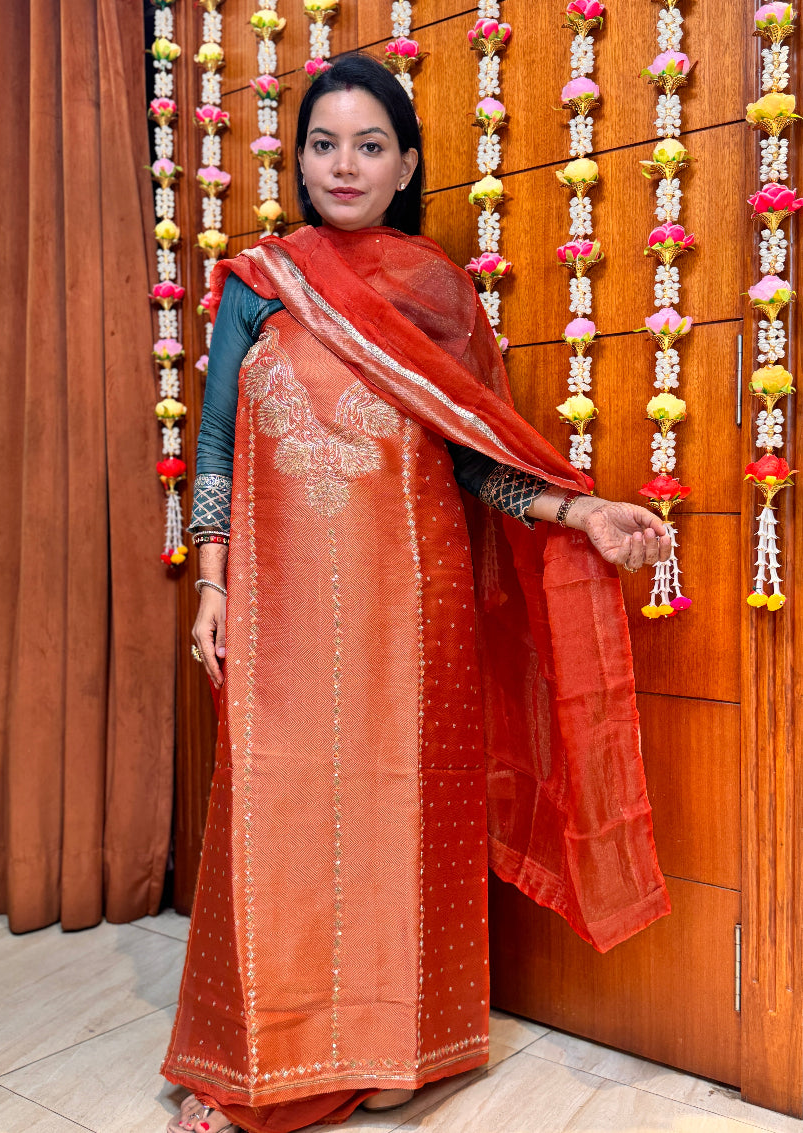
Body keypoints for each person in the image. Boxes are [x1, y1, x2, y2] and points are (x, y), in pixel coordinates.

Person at [161, 54, 671, 1133]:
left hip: (411, 603)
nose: (343, 164)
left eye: (369, 144)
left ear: (408, 166)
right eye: (323, 143)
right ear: (299, 160)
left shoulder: (437, 291)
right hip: (281, 601)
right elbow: (213, 442)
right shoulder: (259, 279)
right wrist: (209, 580)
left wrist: (578, 512)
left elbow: (477, 460)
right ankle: (269, 1053)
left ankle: (401, 1044)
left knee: (398, 812)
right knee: (281, 811)